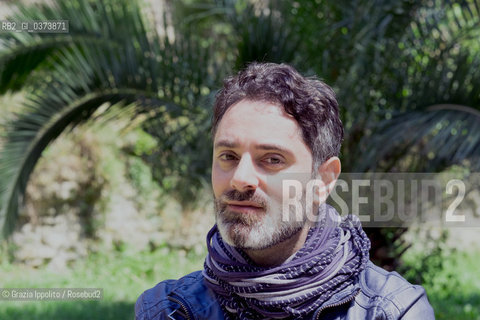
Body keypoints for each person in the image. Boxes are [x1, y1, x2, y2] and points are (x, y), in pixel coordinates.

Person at [135, 62, 434, 319]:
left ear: (324, 179)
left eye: (272, 159)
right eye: (228, 156)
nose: (240, 179)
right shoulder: (169, 310)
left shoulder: (390, 311)